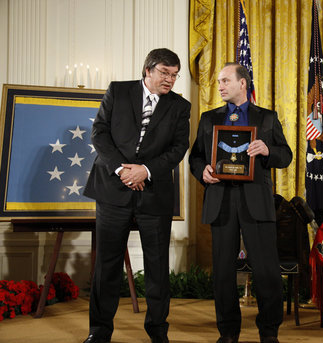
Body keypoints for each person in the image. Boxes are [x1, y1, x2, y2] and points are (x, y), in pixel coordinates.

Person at [82, 48, 190, 343]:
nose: (170, 80)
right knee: (107, 266)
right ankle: (99, 330)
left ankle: (157, 331)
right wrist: (122, 170)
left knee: (157, 267)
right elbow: (99, 133)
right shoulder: (118, 91)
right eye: (164, 73)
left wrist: (144, 170)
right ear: (148, 71)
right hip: (112, 190)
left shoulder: (180, 106)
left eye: (174, 74)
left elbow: (178, 148)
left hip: (153, 195)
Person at [189, 62, 292, 343]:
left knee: (266, 271)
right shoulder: (209, 119)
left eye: (225, 81)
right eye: (219, 82)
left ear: (242, 84)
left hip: (256, 201)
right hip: (220, 201)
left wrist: (268, 150)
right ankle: (228, 333)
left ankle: (269, 332)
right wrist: (203, 171)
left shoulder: (267, 118)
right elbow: (195, 157)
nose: (219, 86)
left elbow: (286, 156)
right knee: (222, 272)